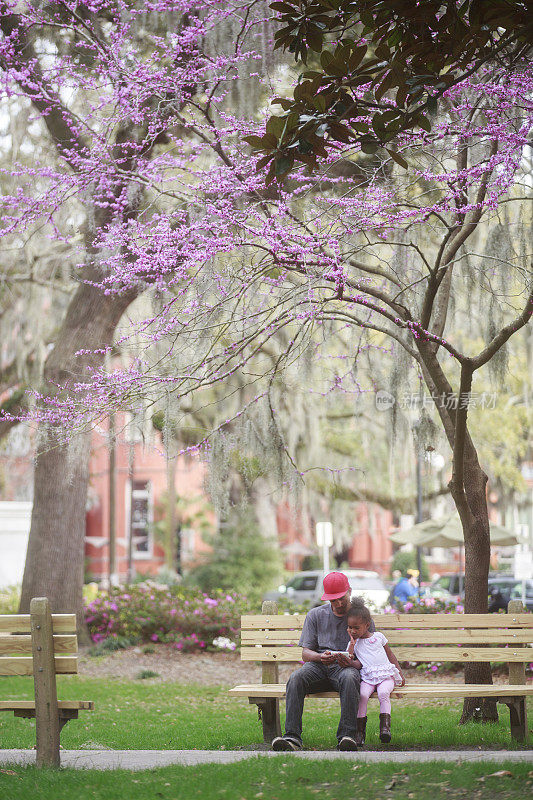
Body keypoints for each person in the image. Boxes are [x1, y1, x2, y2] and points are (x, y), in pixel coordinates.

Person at [271, 571, 374, 752]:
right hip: (318, 667)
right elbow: (305, 654)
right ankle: (292, 738)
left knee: (351, 678)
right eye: (333, 600)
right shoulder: (315, 615)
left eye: (342, 598)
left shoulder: (361, 616)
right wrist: (320, 657)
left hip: (345, 669)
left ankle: (347, 737)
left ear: (349, 591)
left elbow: (371, 650)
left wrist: (350, 660)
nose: (339, 603)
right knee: (296, 678)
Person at [346, 602, 405, 745]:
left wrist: (399, 673)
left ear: (367, 625)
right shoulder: (354, 644)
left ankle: (385, 729)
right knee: (363, 695)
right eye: (350, 627)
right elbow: (350, 660)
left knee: (383, 693)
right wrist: (352, 645)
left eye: (356, 628)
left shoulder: (379, 637)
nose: (353, 631)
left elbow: (390, 655)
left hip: (386, 676)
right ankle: (360, 733)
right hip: (367, 678)